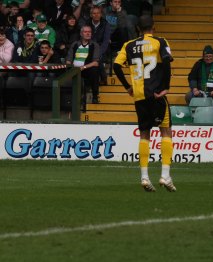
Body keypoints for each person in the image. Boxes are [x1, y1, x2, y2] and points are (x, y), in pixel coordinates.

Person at [113, 15, 176, 192]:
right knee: (166, 132)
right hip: (156, 95)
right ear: (153, 27)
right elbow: (167, 61)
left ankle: (144, 177)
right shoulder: (160, 41)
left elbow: (116, 66)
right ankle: (165, 175)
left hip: (139, 96)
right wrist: (166, 87)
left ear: (138, 29)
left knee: (144, 135)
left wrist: (127, 87)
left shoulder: (129, 45)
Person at [66, 25, 100, 106]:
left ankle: (95, 96)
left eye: (89, 32)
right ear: (81, 34)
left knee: (95, 70)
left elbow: (96, 62)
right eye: (86, 32)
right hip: (74, 69)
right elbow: (68, 60)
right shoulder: (75, 44)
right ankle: (77, 99)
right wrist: (70, 67)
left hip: (87, 69)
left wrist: (83, 67)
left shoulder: (94, 45)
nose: (88, 33)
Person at [86, 5, 111, 84]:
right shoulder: (87, 23)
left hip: (103, 48)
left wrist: (99, 52)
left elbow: (106, 41)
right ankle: (101, 78)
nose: (96, 15)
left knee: (97, 58)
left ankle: (102, 79)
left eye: (98, 13)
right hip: (90, 47)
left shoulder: (105, 24)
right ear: (91, 15)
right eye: (94, 13)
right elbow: (85, 37)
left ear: (101, 14)